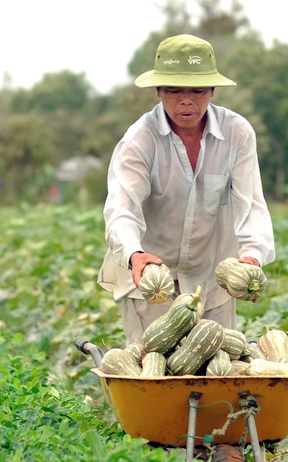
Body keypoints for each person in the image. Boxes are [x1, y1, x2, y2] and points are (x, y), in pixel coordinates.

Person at [97, 34, 275, 343]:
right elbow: (121, 210)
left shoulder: (237, 133)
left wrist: (252, 256)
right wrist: (135, 255)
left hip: (213, 281)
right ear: (158, 91)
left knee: (218, 378)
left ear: (212, 90)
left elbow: (252, 205)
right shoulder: (140, 140)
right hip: (151, 283)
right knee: (153, 374)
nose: (186, 100)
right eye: (175, 90)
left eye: (197, 90)